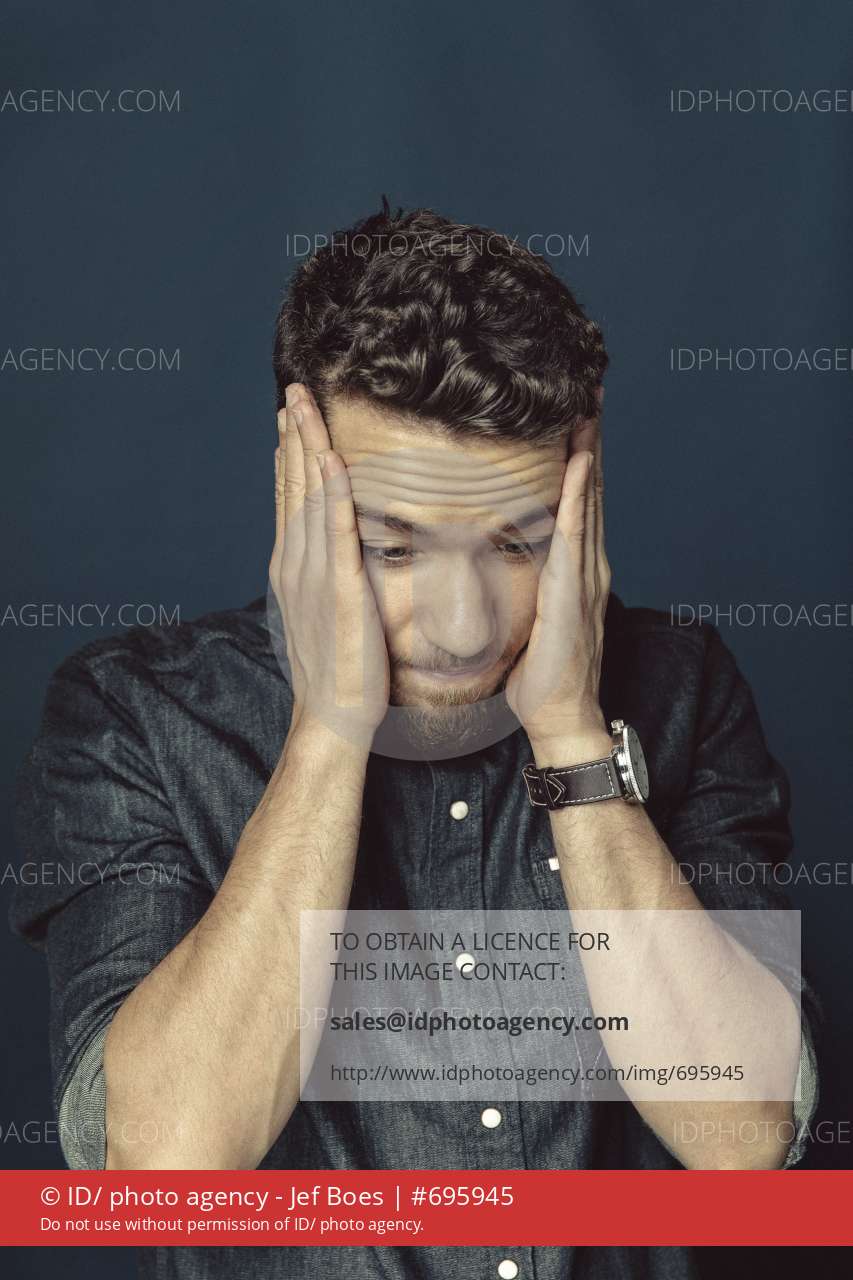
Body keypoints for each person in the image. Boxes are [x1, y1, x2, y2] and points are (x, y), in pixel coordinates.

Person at [12, 202, 819, 1279]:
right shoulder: (136, 715)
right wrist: (329, 728)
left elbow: (742, 1138)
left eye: (517, 543)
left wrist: (572, 734)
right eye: (391, 548)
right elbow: (162, 1172)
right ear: (296, 493)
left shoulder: (682, 685)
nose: (463, 627)